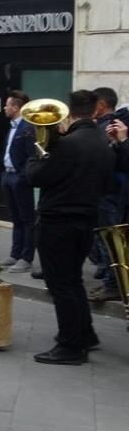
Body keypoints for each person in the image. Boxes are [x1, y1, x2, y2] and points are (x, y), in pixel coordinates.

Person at [26, 90, 116, 365]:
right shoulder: (103, 141)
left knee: (60, 284)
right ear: (94, 110)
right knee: (73, 280)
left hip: (59, 220)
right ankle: (85, 334)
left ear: (71, 113)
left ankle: (70, 346)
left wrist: (37, 155)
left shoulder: (67, 144)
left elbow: (37, 177)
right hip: (87, 218)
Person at [89, 87, 125, 302]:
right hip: (105, 191)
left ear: (101, 105)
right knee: (102, 239)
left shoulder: (109, 126)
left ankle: (113, 285)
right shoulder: (101, 126)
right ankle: (109, 280)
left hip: (109, 192)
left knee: (108, 240)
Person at [0, 90, 37, 273]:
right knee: (15, 217)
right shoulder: (13, 126)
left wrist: (23, 176)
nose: (5, 108)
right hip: (8, 175)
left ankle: (26, 257)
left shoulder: (28, 128)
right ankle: (15, 254)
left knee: (27, 218)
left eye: (7, 105)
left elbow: (32, 155)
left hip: (19, 177)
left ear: (16, 107)